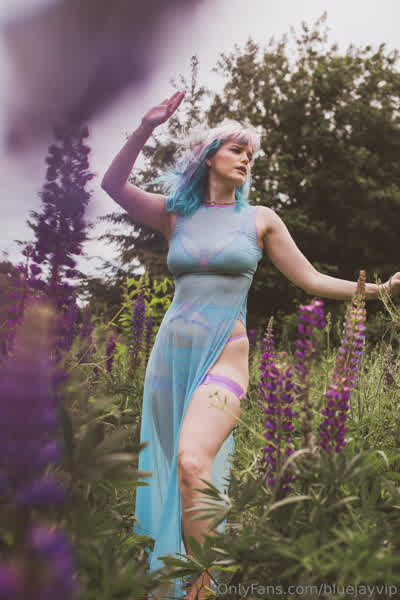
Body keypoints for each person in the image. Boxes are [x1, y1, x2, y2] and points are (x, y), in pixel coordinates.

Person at [101, 91, 400, 600]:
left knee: (193, 463)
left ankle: (202, 590)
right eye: (237, 150)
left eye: (251, 154)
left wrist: (377, 291)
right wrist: (147, 126)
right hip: (170, 358)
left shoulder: (260, 219)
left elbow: (310, 279)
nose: (246, 159)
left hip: (226, 355)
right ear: (209, 156)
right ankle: (179, 580)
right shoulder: (175, 215)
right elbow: (112, 186)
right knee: (178, 474)